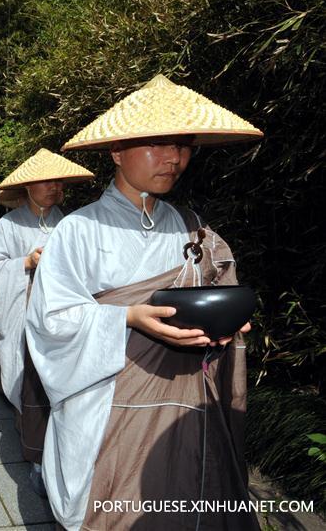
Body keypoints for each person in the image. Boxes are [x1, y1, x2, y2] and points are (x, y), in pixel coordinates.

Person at [25, 75, 263, 530]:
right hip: (113, 400)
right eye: (157, 144)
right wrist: (128, 316)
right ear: (116, 152)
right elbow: (50, 321)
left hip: (189, 396)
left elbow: (222, 281)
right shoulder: (80, 229)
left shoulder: (192, 226)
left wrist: (231, 319)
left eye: (183, 145)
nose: (174, 158)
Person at [0, 149, 95, 492]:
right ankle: (38, 459)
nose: (53, 187)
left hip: (66, 318)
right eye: (45, 180)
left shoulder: (72, 223)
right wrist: (25, 264)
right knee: (31, 385)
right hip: (26, 314)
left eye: (58, 180)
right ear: (28, 187)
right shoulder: (8, 226)